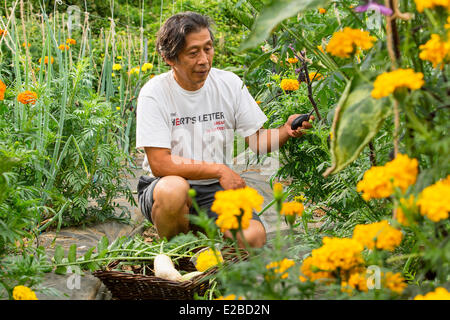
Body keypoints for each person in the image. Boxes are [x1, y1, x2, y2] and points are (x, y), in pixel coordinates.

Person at [136, 12, 313, 248]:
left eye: (208, 49)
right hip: (166, 186)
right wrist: (220, 169)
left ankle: (208, 246)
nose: (204, 60)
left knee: (253, 238)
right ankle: (178, 255)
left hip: (215, 190)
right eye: (193, 52)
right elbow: (160, 163)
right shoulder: (155, 93)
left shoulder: (228, 83)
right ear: (170, 58)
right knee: (174, 190)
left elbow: (257, 140)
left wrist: (285, 130)